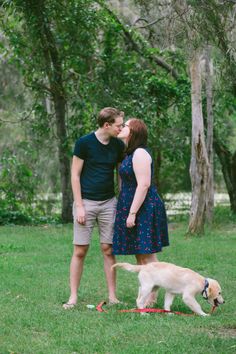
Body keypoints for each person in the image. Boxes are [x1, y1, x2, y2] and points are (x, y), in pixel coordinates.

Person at [63, 107, 125, 309]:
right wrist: (79, 206)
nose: (121, 128)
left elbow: (120, 173)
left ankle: (113, 296)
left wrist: (122, 200)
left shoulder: (117, 145)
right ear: (107, 125)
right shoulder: (84, 143)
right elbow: (75, 175)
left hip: (109, 203)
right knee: (80, 250)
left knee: (108, 249)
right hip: (86, 202)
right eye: (118, 125)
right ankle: (73, 297)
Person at [112, 118, 169, 286]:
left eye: (126, 125)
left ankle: (157, 292)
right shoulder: (130, 153)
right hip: (134, 205)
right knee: (139, 253)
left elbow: (144, 185)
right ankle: (147, 293)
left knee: (147, 253)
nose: (122, 127)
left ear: (134, 131)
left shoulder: (140, 153)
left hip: (144, 207)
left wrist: (132, 213)